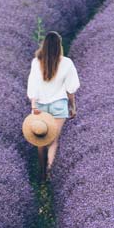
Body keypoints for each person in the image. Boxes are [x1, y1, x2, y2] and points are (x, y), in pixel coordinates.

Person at [26, 31, 79, 172]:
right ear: (59, 45)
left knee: (40, 140)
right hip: (59, 105)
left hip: (40, 106)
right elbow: (71, 88)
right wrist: (72, 106)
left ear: (44, 46)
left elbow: (33, 86)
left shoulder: (36, 62)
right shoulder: (67, 63)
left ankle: (42, 171)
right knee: (53, 141)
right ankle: (49, 171)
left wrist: (33, 105)